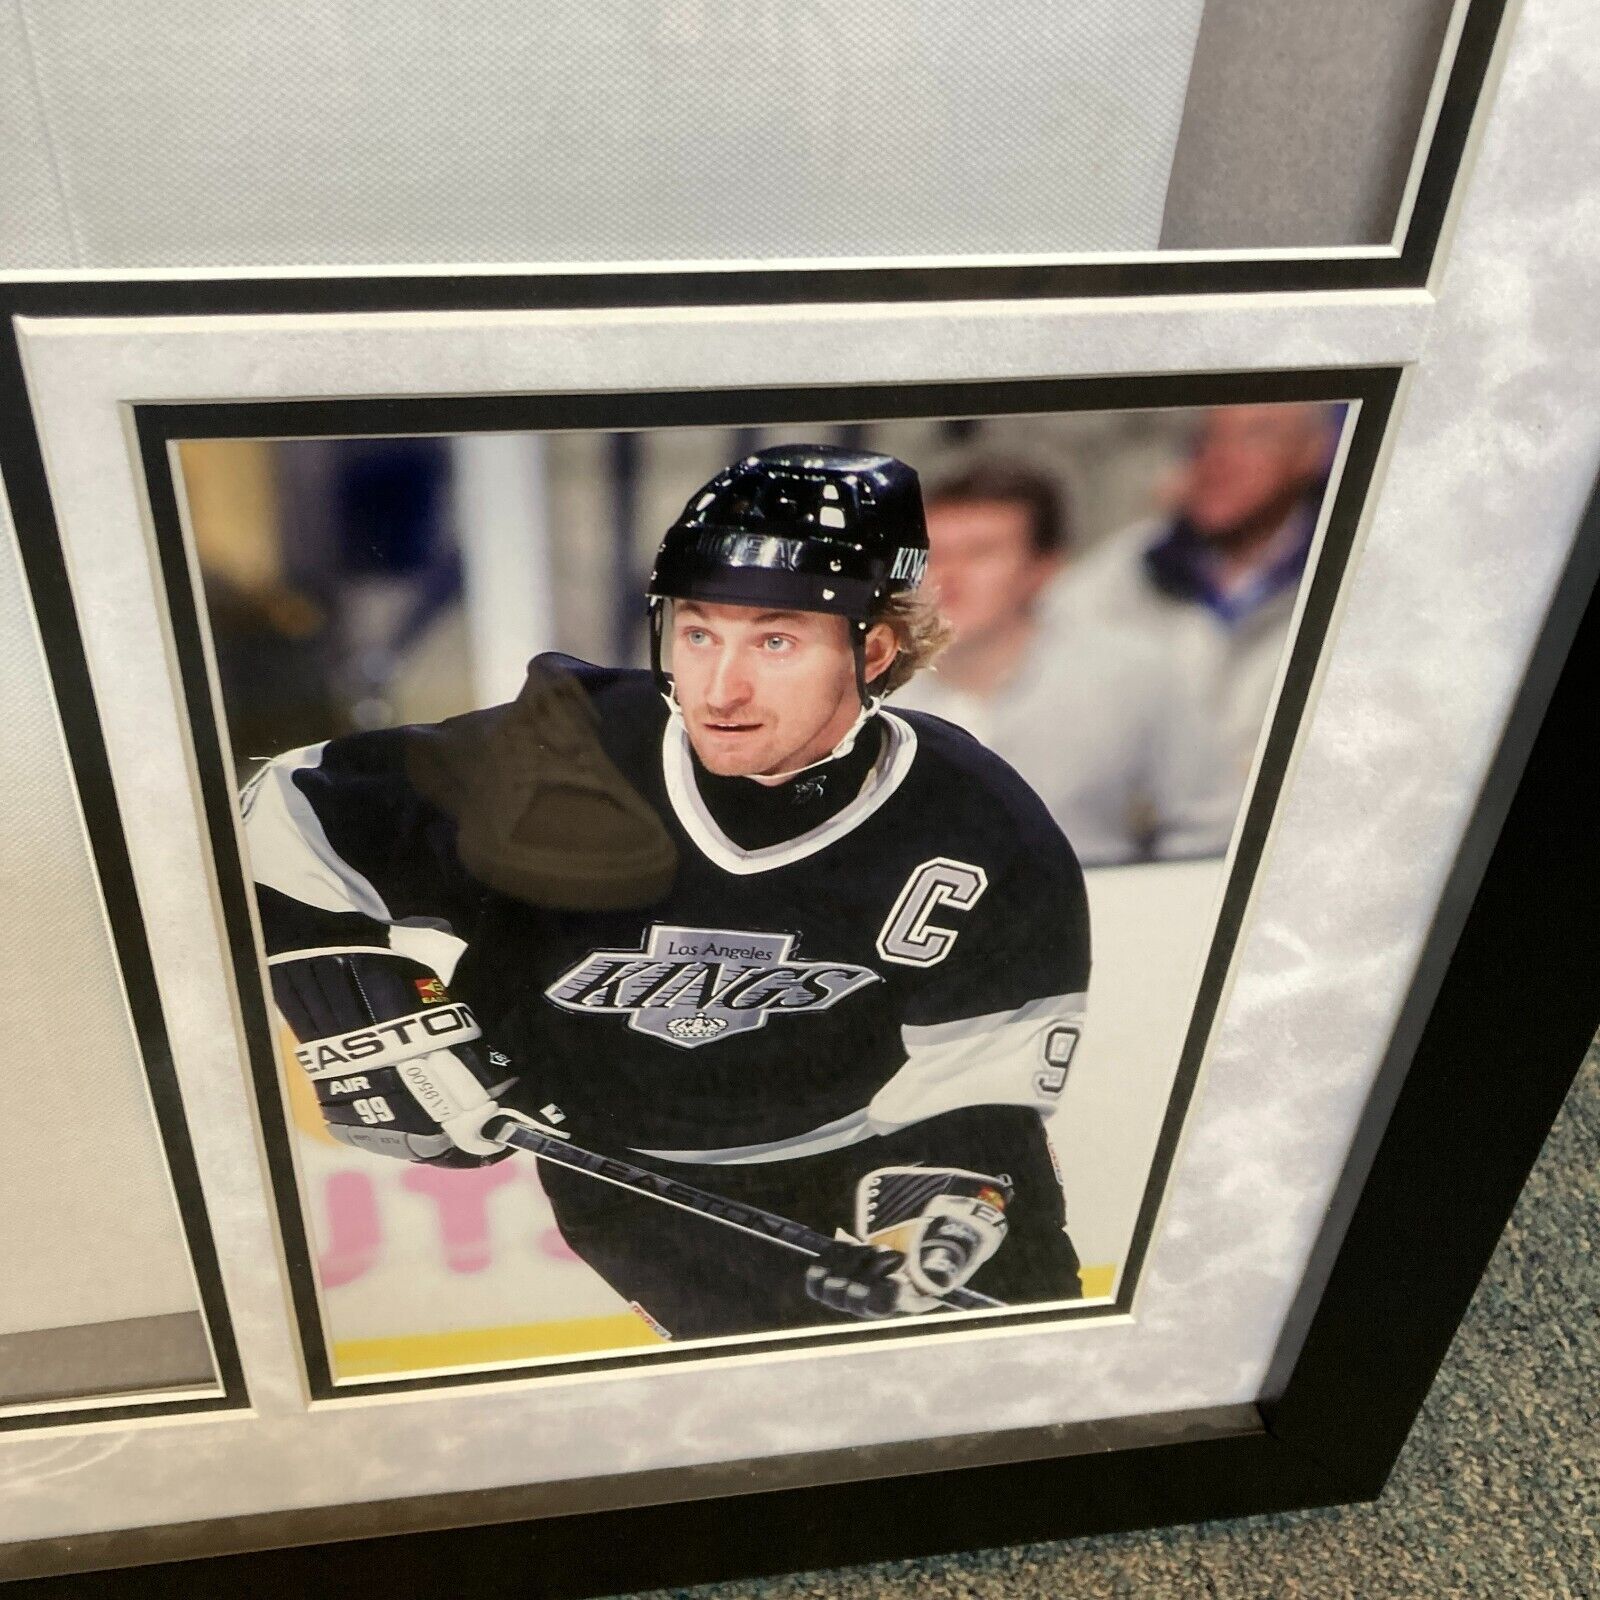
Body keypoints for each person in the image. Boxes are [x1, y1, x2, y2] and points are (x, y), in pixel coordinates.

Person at [244, 443, 1091, 1343]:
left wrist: (934, 1225)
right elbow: (277, 819)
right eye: (698, 632)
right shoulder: (560, 757)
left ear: (872, 650)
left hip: (881, 1140)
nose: (720, 689)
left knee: (1039, 1394)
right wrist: (356, 1014)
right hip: (641, 1186)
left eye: (775, 639)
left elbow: (980, 1086)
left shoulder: (977, 823)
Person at [1055, 402, 1344, 859]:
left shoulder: (1352, 578)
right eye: (1209, 438)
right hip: (1129, 852)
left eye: (1256, 436)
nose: (1220, 459)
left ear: (1316, 453)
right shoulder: (1123, 569)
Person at [891, 459, 1174, 865]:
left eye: (980, 553)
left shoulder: (1134, 678)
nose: (949, 575)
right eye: (934, 554)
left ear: (1042, 569)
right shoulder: (861, 688)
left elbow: (1207, 832)